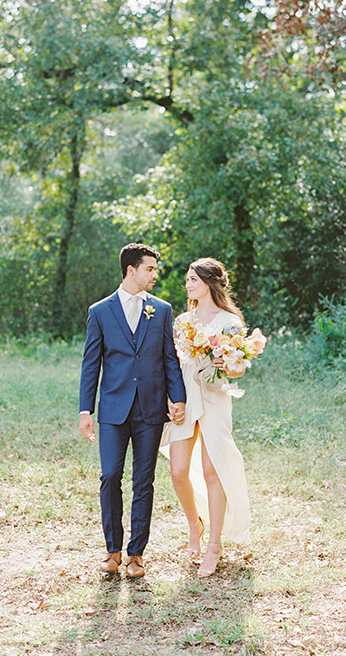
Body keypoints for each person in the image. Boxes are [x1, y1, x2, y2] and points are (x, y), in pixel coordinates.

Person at [79, 243, 186, 579]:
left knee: (144, 481)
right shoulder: (100, 311)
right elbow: (90, 364)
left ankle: (136, 554)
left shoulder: (162, 310)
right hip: (112, 409)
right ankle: (113, 551)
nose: (155, 275)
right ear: (131, 270)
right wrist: (86, 410)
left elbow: (170, 357)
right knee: (110, 476)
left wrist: (177, 397)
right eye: (150, 269)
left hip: (150, 408)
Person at [160, 257, 251, 578]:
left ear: (210, 283)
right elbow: (171, 364)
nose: (188, 285)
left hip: (214, 397)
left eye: (193, 280)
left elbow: (239, 366)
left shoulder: (230, 322)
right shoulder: (183, 320)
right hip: (185, 396)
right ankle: (194, 524)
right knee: (178, 470)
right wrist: (173, 399)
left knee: (213, 471)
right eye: (187, 280)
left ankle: (214, 544)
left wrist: (231, 364)